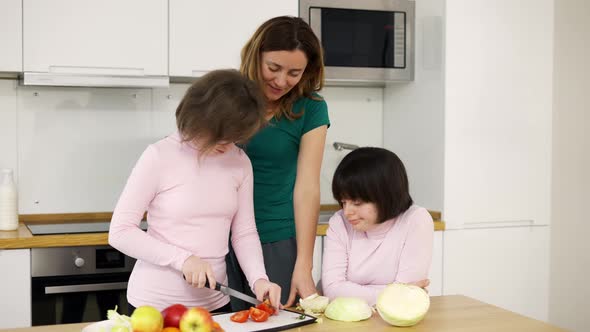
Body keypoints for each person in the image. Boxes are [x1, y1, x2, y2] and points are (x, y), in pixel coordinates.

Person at [108, 69, 282, 313]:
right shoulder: (159, 156)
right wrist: (183, 259)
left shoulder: (240, 162)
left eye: (235, 138)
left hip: (216, 304)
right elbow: (120, 232)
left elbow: (244, 232)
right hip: (154, 307)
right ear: (200, 117)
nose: (228, 144)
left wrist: (259, 279)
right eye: (221, 137)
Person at [226, 16, 330, 309]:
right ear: (255, 55)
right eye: (273, 68)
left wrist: (304, 264)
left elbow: (307, 188)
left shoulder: (311, 108)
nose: (282, 81)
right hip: (216, 239)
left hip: (276, 240)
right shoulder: (228, 96)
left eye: (294, 72)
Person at [321, 147, 434, 306]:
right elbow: (332, 290)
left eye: (357, 203)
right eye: (343, 202)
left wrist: (352, 292)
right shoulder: (339, 222)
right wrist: (395, 294)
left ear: (386, 196)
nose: (347, 212)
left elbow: (407, 299)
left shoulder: (416, 220)